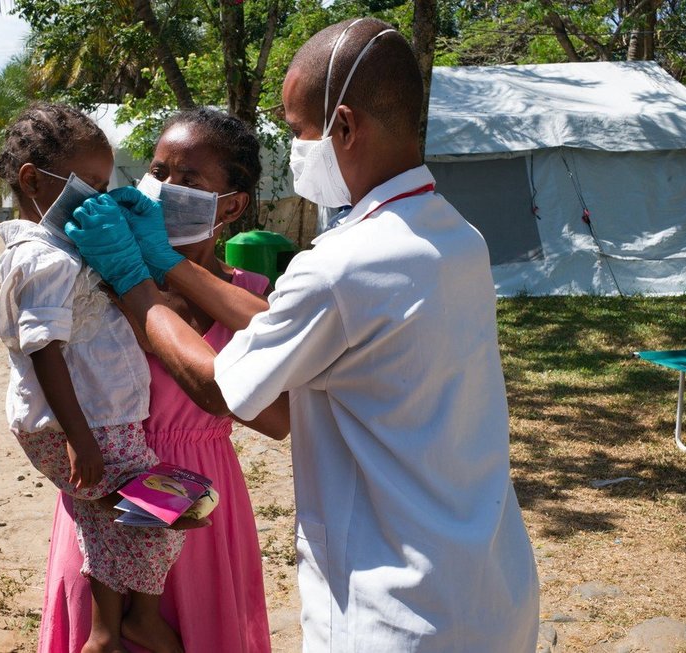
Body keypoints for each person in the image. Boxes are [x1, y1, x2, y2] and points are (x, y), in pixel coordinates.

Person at [66, 17, 539, 652]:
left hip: (393, 609)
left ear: (343, 127)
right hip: (489, 587)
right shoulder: (454, 237)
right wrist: (172, 265)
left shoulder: (341, 264)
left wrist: (132, 279)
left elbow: (219, 389)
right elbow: (286, 325)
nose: (295, 150)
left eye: (298, 132)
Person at [36, 108, 279, 653]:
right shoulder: (96, 272)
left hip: (201, 503)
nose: (163, 188)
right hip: (108, 489)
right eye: (158, 171)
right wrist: (130, 271)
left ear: (232, 205)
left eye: (188, 180)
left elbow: (276, 415)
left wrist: (165, 265)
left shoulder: (247, 294)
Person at [0, 102, 185, 653]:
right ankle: (122, 627)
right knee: (154, 518)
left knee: (117, 521)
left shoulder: (57, 247)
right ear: (32, 180)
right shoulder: (42, 259)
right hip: (86, 420)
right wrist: (77, 437)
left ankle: (108, 629)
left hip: (98, 417)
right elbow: (43, 350)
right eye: (89, 184)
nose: (97, 196)